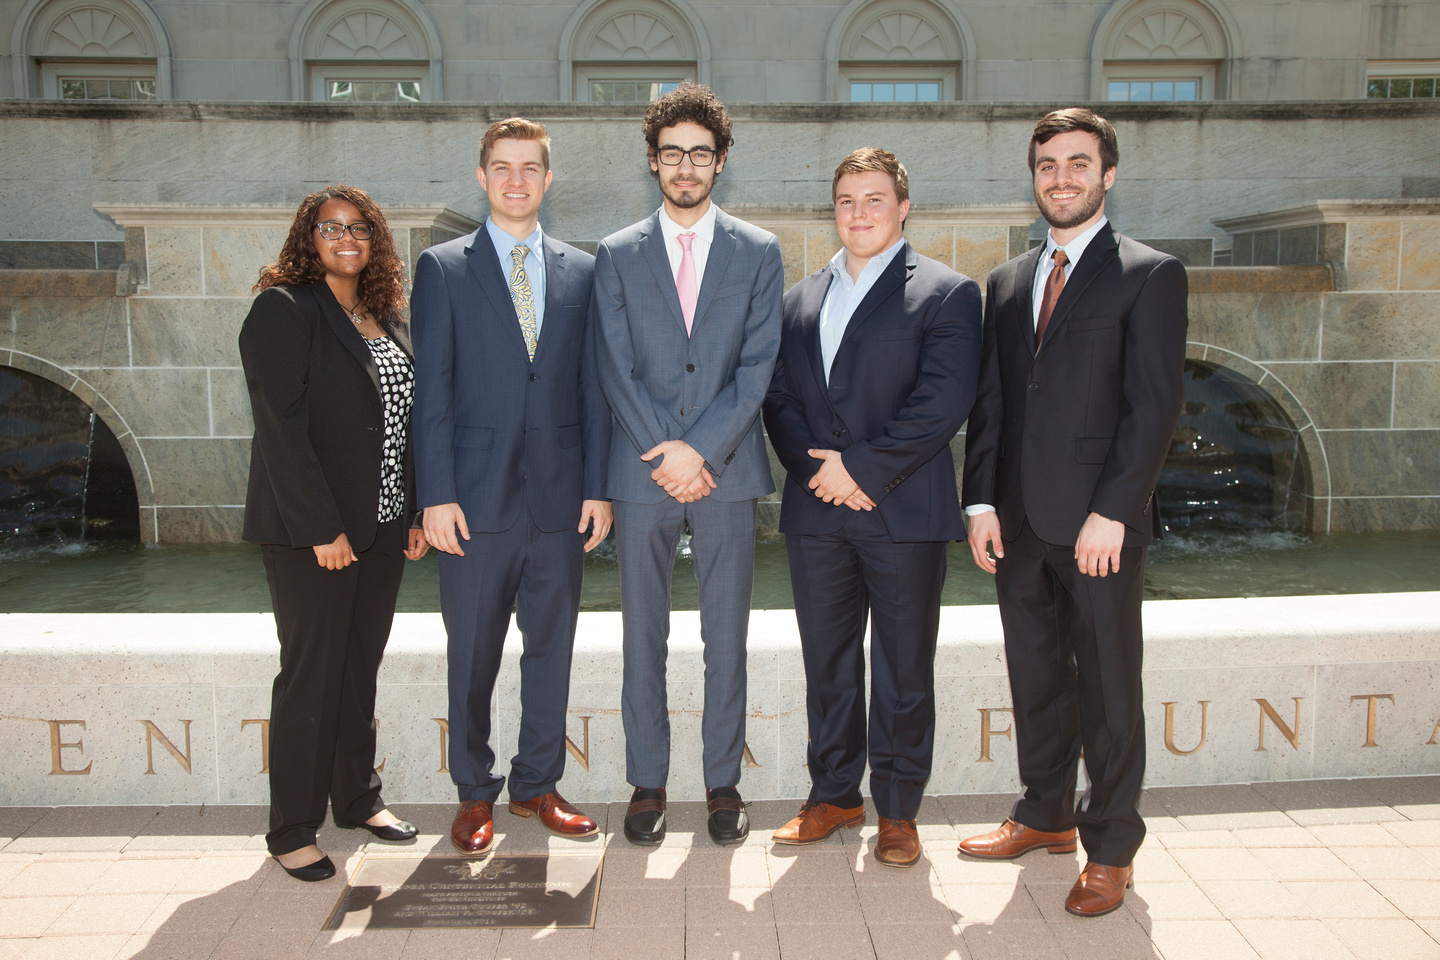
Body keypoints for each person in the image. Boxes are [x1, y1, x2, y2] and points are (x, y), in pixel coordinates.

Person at [959, 108, 1188, 915]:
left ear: (1108, 174)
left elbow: (1153, 407)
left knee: (1109, 687)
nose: (1061, 178)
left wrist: (1114, 511)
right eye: (1048, 165)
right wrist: (981, 501)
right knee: (1036, 676)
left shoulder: (1149, 274)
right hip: (1018, 524)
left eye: (1078, 163)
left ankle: (1112, 849)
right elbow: (992, 402)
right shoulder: (1007, 281)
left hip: (1099, 528)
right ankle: (1045, 813)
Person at [762, 148, 982, 867]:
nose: (859, 213)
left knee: (902, 669)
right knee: (827, 665)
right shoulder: (798, 300)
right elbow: (779, 400)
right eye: (847, 200)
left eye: (874, 199)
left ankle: (897, 810)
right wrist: (820, 475)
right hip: (818, 513)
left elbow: (941, 403)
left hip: (902, 511)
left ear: (903, 207)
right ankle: (834, 795)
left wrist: (858, 470)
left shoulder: (947, 293)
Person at [411, 118, 612, 857]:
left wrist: (597, 487)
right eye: (503, 167)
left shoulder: (583, 270)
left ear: (548, 179)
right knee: (472, 656)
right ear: (483, 176)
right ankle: (474, 791)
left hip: (559, 503)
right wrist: (435, 495)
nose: (517, 180)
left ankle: (536, 784)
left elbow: (593, 389)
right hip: (472, 503)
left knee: (550, 651)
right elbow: (431, 393)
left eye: (531, 167)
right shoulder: (443, 268)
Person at [593, 82, 783, 846]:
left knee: (724, 635)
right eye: (671, 153)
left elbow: (758, 366)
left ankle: (721, 782)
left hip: (725, 471)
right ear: (652, 161)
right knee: (642, 633)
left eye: (700, 154)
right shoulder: (615, 253)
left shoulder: (758, 251)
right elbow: (614, 368)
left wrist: (699, 449)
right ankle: (647, 782)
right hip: (641, 472)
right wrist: (668, 453)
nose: (685, 167)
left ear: (721, 160)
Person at [239, 184, 429, 882]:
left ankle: (356, 800)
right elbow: (280, 427)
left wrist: (413, 512)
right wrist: (321, 526)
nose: (347, 238)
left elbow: (404, 424)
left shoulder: (386, 316)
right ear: (308, 237)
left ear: (375, 241)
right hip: (313, 534)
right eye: (331, 227)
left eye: (360, 228)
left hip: (382, 529)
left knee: (358, 669)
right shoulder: (284, 310)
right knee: (311, 674)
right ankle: (291, 827)